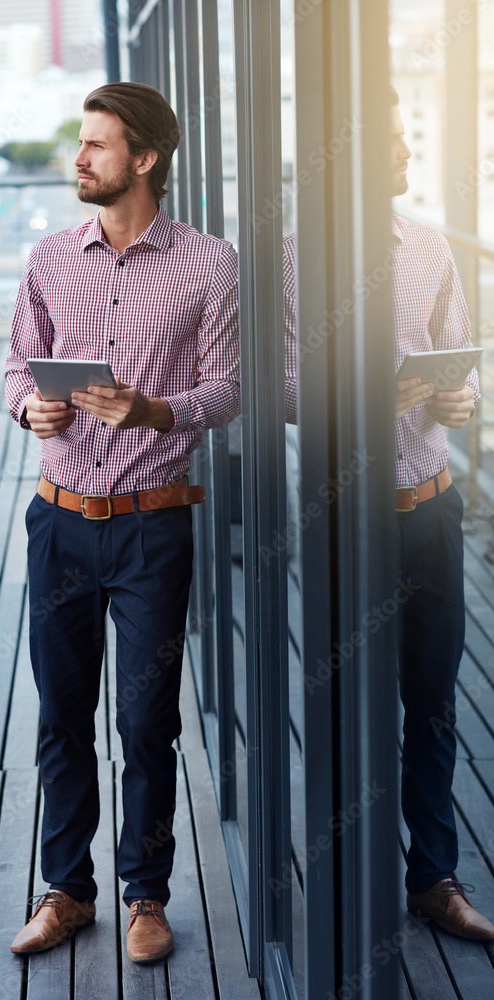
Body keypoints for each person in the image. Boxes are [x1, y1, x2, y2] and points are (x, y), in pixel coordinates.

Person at [4, 82, 240, 962]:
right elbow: (15, 372)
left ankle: (147, 897)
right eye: (81, 143)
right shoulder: (49, 258)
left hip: (152, 527)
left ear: (144, 160)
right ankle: (66, 891)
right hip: (58, 519)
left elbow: (227, 390)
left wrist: (151, 414)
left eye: (97, 146)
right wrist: (32, 410)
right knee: (62, 715)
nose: (80, 159)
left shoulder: (211, 264)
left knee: (146, 722)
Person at [283, 88, 494, 940]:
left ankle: (434, 878)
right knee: (346, 705)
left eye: (410, 139)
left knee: (434, 702)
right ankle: (346, 877)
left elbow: (467, 363)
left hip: (431, 509)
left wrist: (459, 400)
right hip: (347, 517)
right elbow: (282, 388)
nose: (408, 154)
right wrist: (365, 398)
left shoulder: (433, 249)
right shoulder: (296, 261)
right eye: (396, 143)